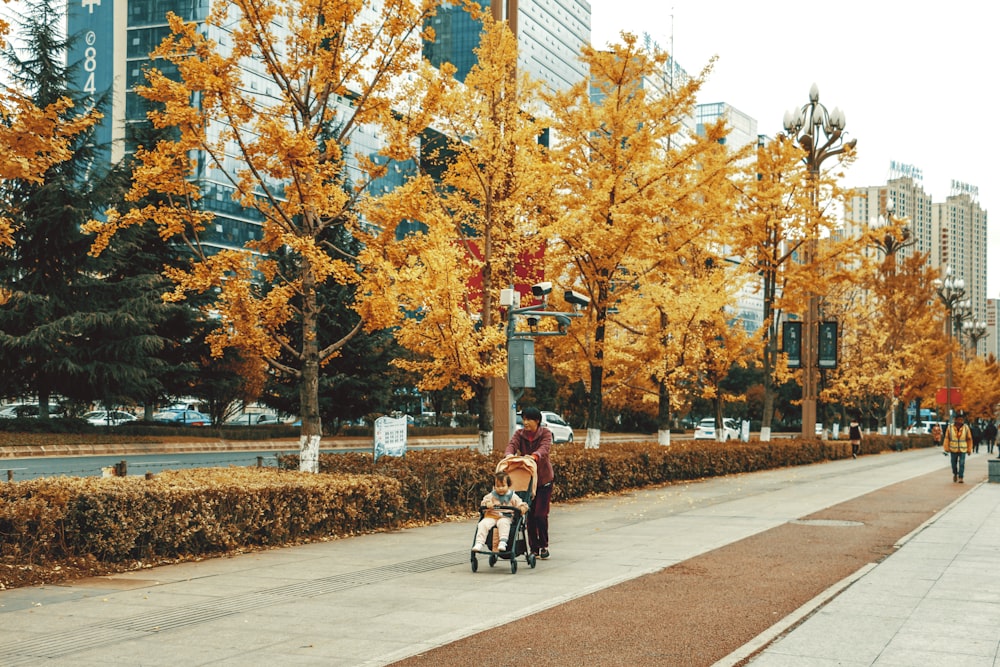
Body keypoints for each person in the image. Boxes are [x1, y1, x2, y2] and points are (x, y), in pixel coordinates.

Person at [506, 405, 554, 559]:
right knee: (530, 515)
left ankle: (544, 545)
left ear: (537, 421)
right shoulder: (519, 434)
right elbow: (512, 445)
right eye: (524, 419)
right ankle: (534, 549)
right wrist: (508, 455)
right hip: (527, 481)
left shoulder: (545, 433)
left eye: (528, 419)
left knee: (541, 514)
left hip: (543, 481)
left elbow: (544, 448)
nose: (525, 422)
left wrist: (535, 456)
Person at [472, 471, 528, 553]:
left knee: (503, 523)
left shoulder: (512, 496)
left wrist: (522, 507)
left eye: (503, 486)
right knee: (482, 524)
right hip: (492, 516)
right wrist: (487, 504)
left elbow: (520, 503)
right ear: (494, 486)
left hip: (505, 517)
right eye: (498, 486)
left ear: (508, 486)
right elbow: (484, 502)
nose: (500, 488)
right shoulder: (491, 496)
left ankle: (503, 542)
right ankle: (479, 543)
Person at [943, 413, 973, 483]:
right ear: (955, 420)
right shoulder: (950, 427)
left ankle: (961, 477)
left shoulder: (966, 427)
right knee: (953, 463)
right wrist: (946, 448)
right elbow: (947, 438)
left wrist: (969, 449)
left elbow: (969, 439)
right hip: (953, 448)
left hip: (963, 448)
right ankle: (955, 473)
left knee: (962, 463)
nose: (960, 421)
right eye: (959, 419)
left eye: (962, 420)